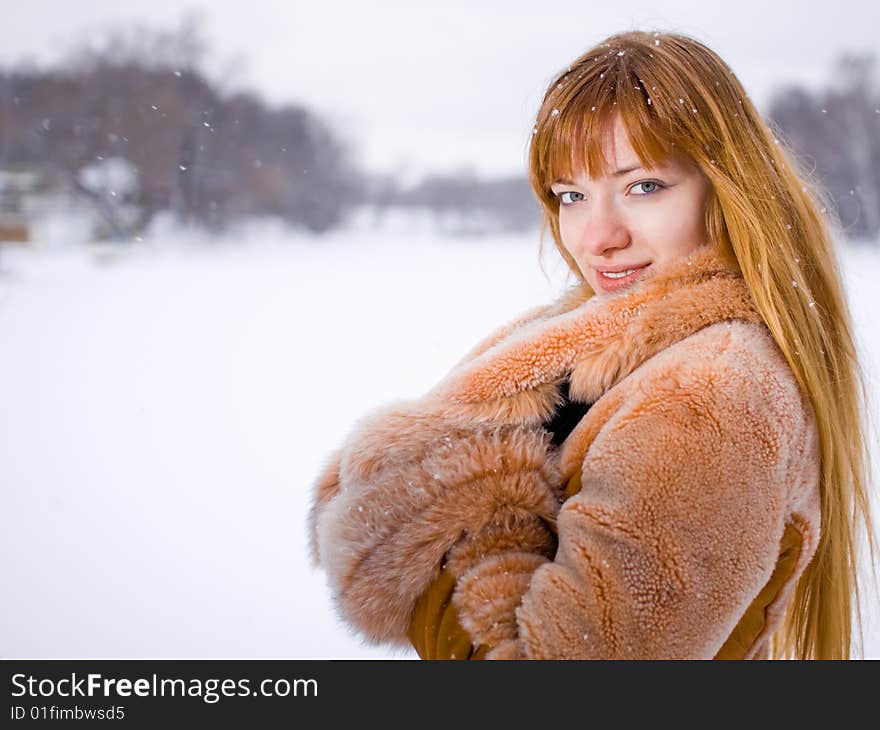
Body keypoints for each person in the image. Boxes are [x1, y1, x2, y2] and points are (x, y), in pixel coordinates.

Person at [307, 30, 876, 659]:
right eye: (571, 195)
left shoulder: (712, 394)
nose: (597, 236)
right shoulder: (593, 336)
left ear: (725, 187)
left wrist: (469, 500)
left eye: (643, 187)